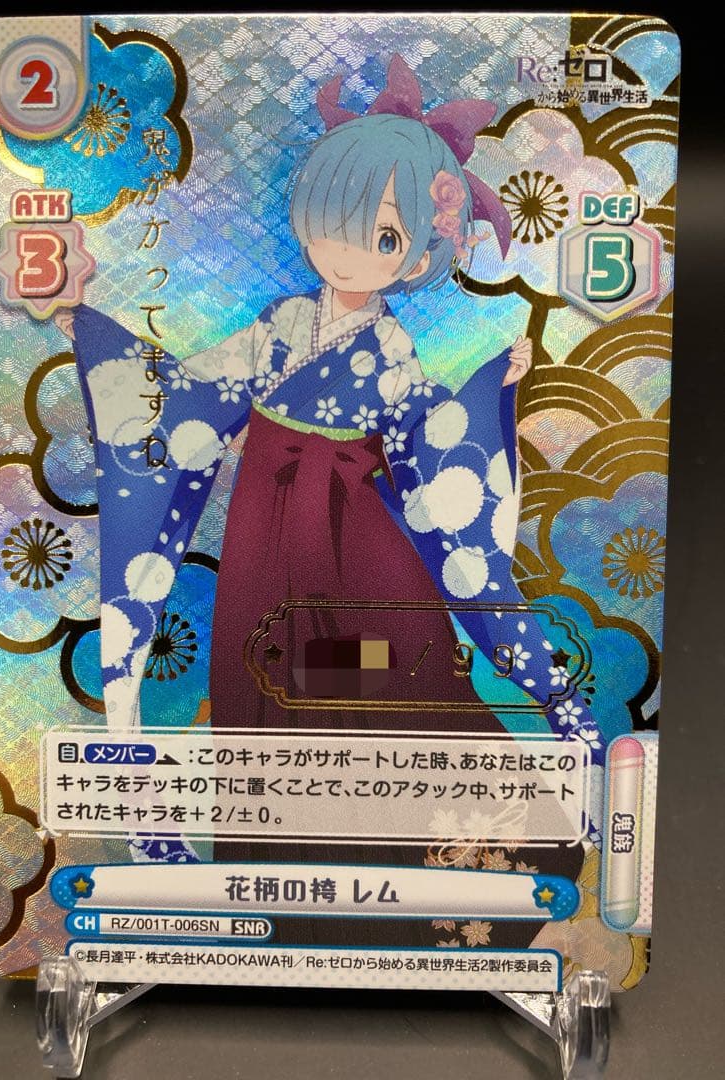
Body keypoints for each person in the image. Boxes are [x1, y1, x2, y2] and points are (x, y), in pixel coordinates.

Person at [55, 55, 598, 951]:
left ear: (419, 255)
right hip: (267, 541)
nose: (351, 249)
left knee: (383, 672)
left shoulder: (392, 351)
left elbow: (433, 438)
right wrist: (96, 333)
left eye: (383, 236)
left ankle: (433, 890)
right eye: (337, 218)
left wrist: (493, 387)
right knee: (261, 678)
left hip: (356, 546)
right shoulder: (279, 328)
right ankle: (288, 896)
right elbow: (190, 397)